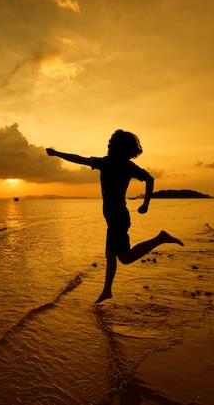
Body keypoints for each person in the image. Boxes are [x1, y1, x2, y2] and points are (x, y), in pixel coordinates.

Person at [46, 129, 184, 304]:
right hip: (116, 217)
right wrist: (146, 203)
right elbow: (150, 179)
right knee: (110, 254)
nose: (108, 144)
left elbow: (79, 159)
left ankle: (160, 238)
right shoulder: (128, 166)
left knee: (125, 258)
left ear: (117, 146)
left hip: (117, 218)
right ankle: (107, 291)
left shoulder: (107, 163)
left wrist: (57, 154)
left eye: (111, 142)